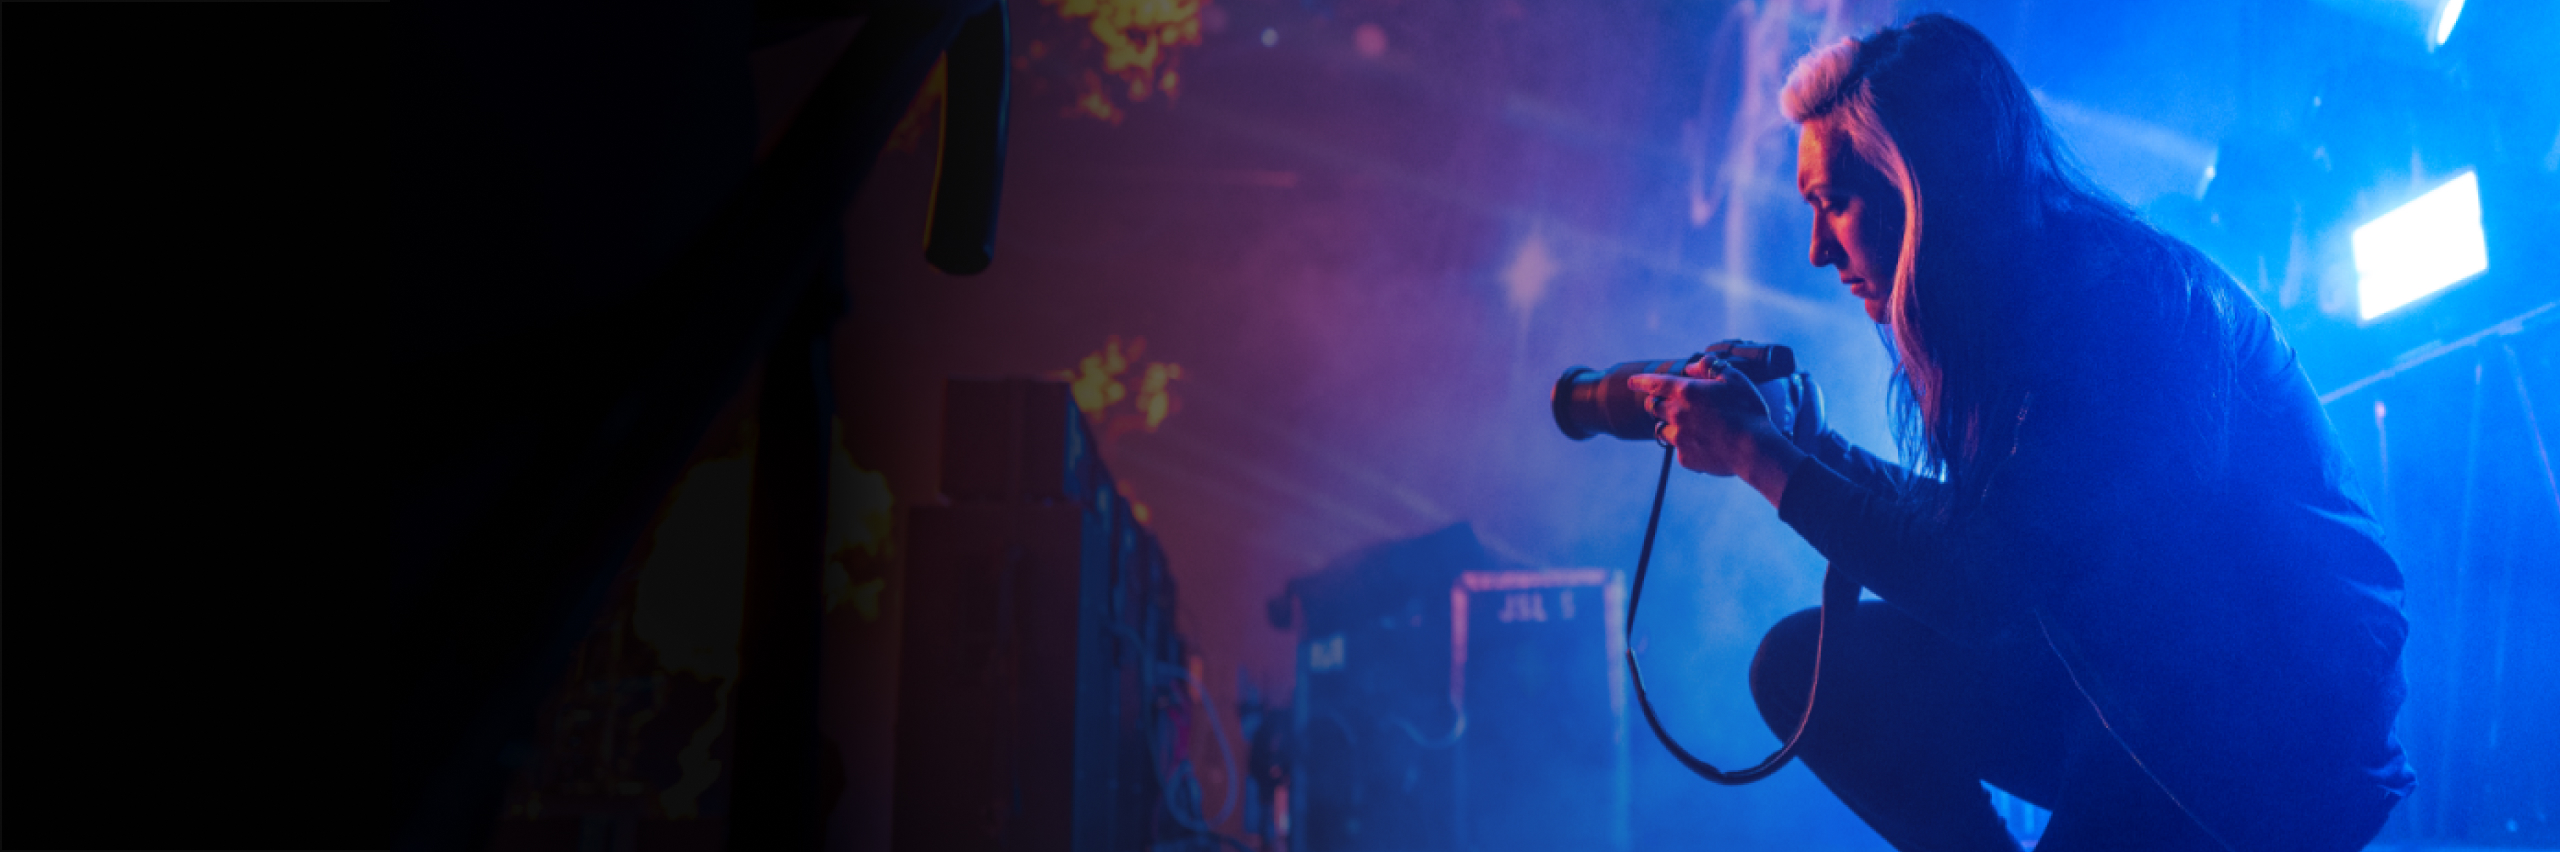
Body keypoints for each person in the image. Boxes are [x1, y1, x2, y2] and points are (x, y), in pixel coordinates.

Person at [1625, 14, 2413, 852]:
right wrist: (1808, 447)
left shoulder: (2115, 312)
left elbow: (1980, 587)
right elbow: (2006, 537)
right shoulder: (2035, 301)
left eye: (1837, 202)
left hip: (2271, 742)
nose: (1820, 249)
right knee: (1802, 664)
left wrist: (1760, 454)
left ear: (1929, 184)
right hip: (2148, 689)